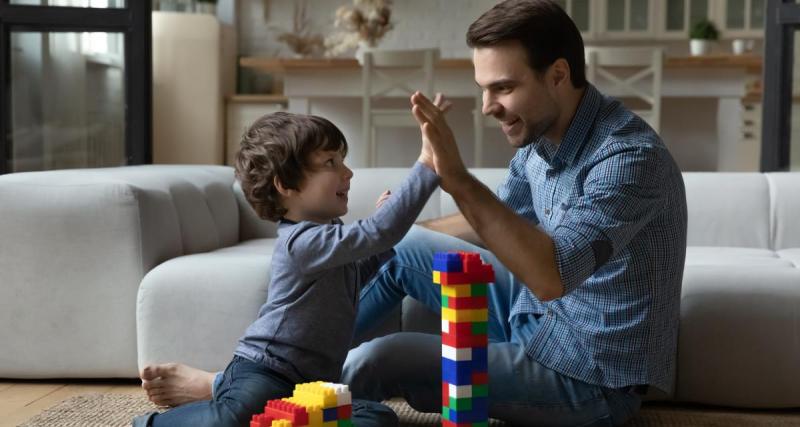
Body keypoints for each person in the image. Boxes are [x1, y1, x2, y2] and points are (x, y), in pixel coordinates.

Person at [140, 1, 688, 425]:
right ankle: (259, 376)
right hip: (537, 318)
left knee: (383, 359)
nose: (488, 106)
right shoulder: (543, 141)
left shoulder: (627, 159)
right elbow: (490, 221)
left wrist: (450, 174)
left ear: (559, 75)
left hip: (587, 375)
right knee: (396, 250)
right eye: (483, 88)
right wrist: (395, 234)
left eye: (504, 87)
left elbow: (550, 275)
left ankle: (236, 395)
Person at [133, 110, 443, 427]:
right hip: (266, 370)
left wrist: (379, 247)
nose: (347, 173)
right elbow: (377, 232)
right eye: (330, 163)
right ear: (286, 185)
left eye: (343, 160)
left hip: (309, 386)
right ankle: (151, 424)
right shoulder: (301, 242)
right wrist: (427, 167)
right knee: (233, 417)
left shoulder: (328, 237)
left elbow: (356, 271)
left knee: (379, 418)